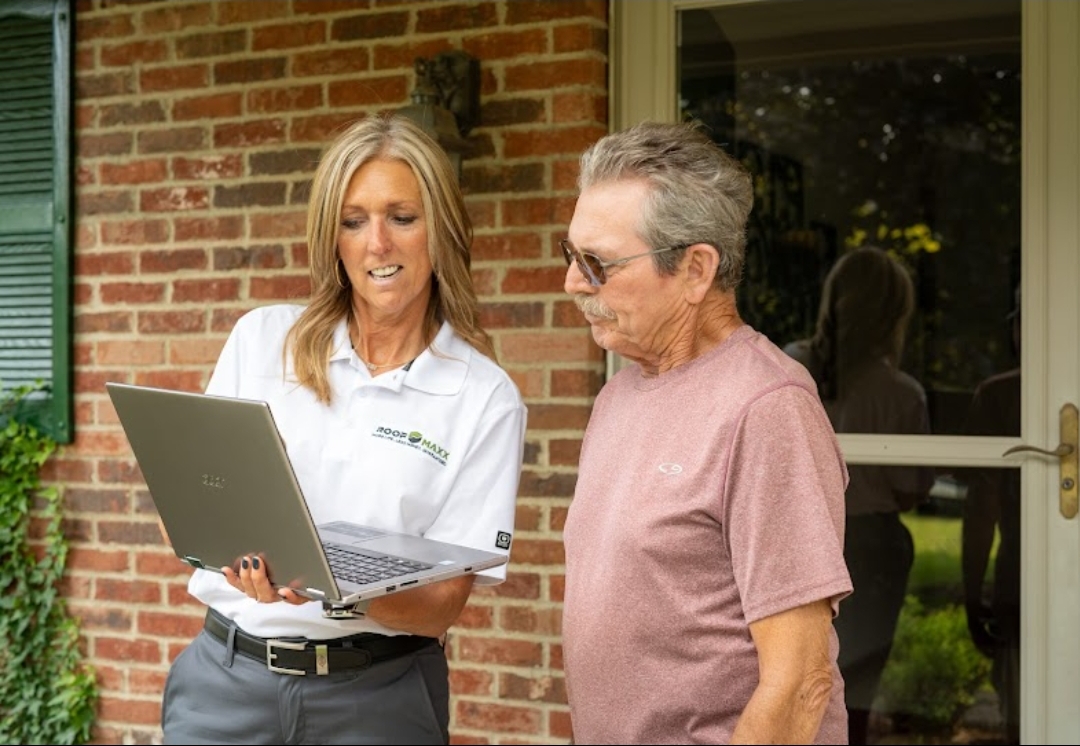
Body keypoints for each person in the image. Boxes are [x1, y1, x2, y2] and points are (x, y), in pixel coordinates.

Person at [158, 114, 528, 745]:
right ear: (332, 238)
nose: (376, 243)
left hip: (377, 699)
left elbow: (444, 602)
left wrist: (326, 587)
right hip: (226, 685)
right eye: (354, 221)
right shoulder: (261, 341)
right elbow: (193, 513)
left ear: (440, 230)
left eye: (401, 217)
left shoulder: (484, 397)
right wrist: (231, 550)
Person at [559, 120, 853, 744]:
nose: (573, 283)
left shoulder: (768, 407)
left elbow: (801, 681)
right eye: (570, 255)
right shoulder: (619, 392)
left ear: (696, 269)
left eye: (597, 263)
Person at [784, 246, 935, 745]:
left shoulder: (788, 366)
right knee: (857, 689)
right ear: (894, 315)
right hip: (870, 546)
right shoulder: (900, 393)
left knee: (791, 671)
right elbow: (912, 489)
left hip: (796, 535)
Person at [962, 287, 1021, 744]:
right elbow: (983, 504)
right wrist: (974, 589)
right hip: (1017, 583)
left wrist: (972, 592)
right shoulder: (1000, 396)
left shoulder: (1000, 395)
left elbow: (984, 506)